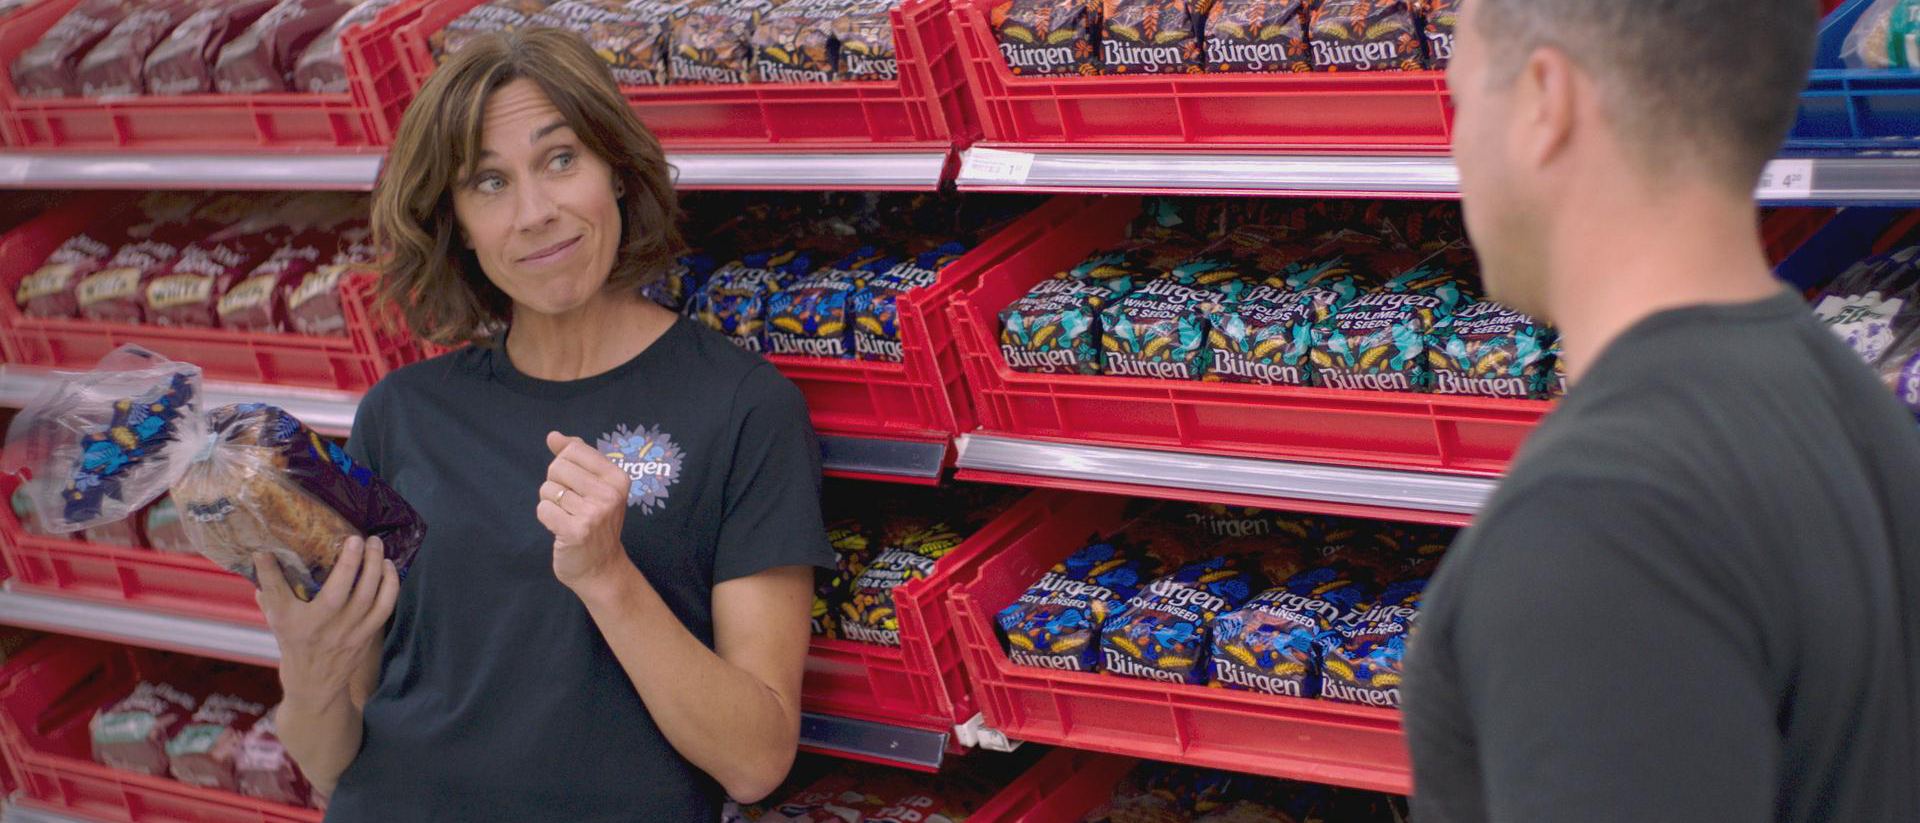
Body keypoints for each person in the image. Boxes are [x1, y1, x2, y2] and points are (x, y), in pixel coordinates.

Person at [247, 28, 832, 821]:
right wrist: (308, 664)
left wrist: (608, 575)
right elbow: (332, 761)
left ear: (616, 168)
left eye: (560, 160)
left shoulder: (743, 407)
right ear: (456, 220)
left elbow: (756, 759)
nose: (534, 213)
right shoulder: (401, 413)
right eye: (488, 182)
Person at [1403, 0, 1920, 820]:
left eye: (1462, 97)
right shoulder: (1863, 409)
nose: (1457, 146)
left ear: (1545, 100)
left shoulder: (1599, 519)